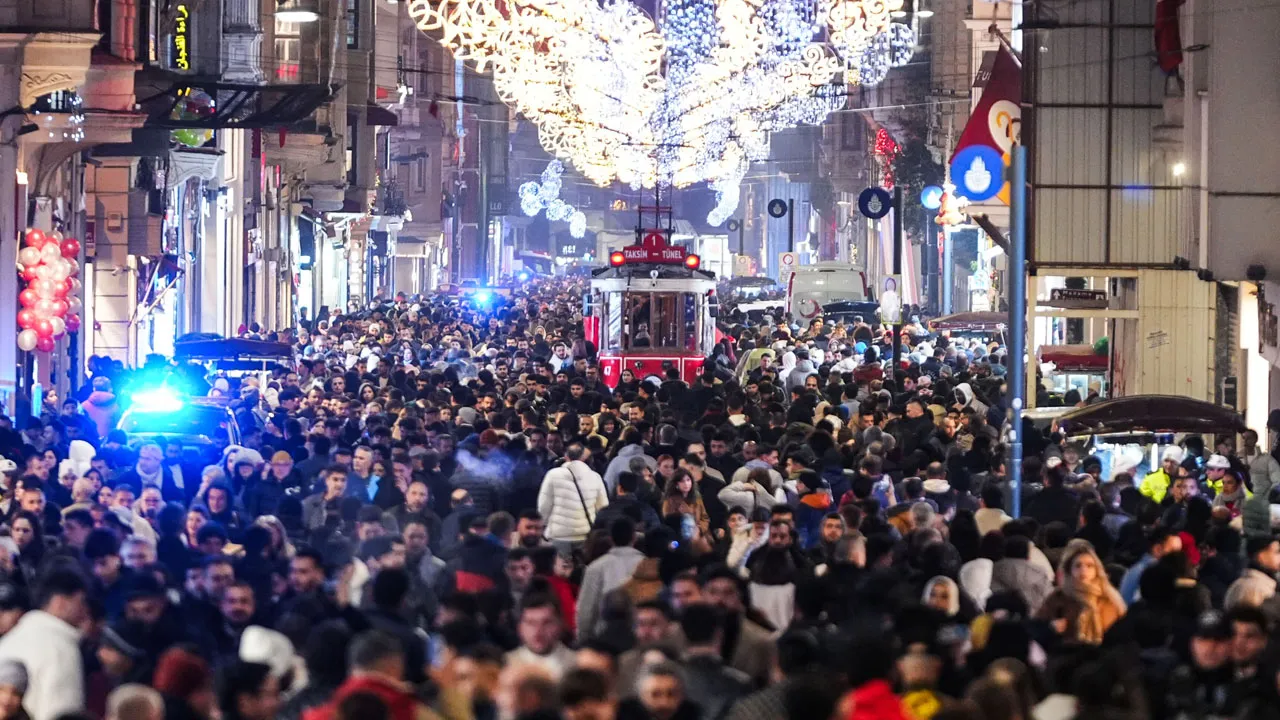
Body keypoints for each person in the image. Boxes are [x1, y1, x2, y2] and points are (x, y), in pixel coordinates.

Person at [0, 568, 89, 720]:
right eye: (80, 601)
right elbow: (60, 710)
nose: (84, 610)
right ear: (60, 602)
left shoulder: (15, 636)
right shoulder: (59, 647)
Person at [1035, 540, 1126, 644]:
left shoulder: (1109, 598)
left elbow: (1121, 634)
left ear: (1097, 569)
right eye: (1078, 566)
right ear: (1070, 570)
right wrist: (1051, 627)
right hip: (1067, 654)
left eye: (1089, 566)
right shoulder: (1059, 596)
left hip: (1103, 656)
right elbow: (1037, 625)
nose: (1083, 571)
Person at [538, 444, 608, 548]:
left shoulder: (553, 475)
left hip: (559, 535)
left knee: (560, 564)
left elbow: (544, 506)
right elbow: (603, 507)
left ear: (566, 457)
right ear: (584, 458)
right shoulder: (595, 477)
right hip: (585, 534)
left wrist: (543, 525)